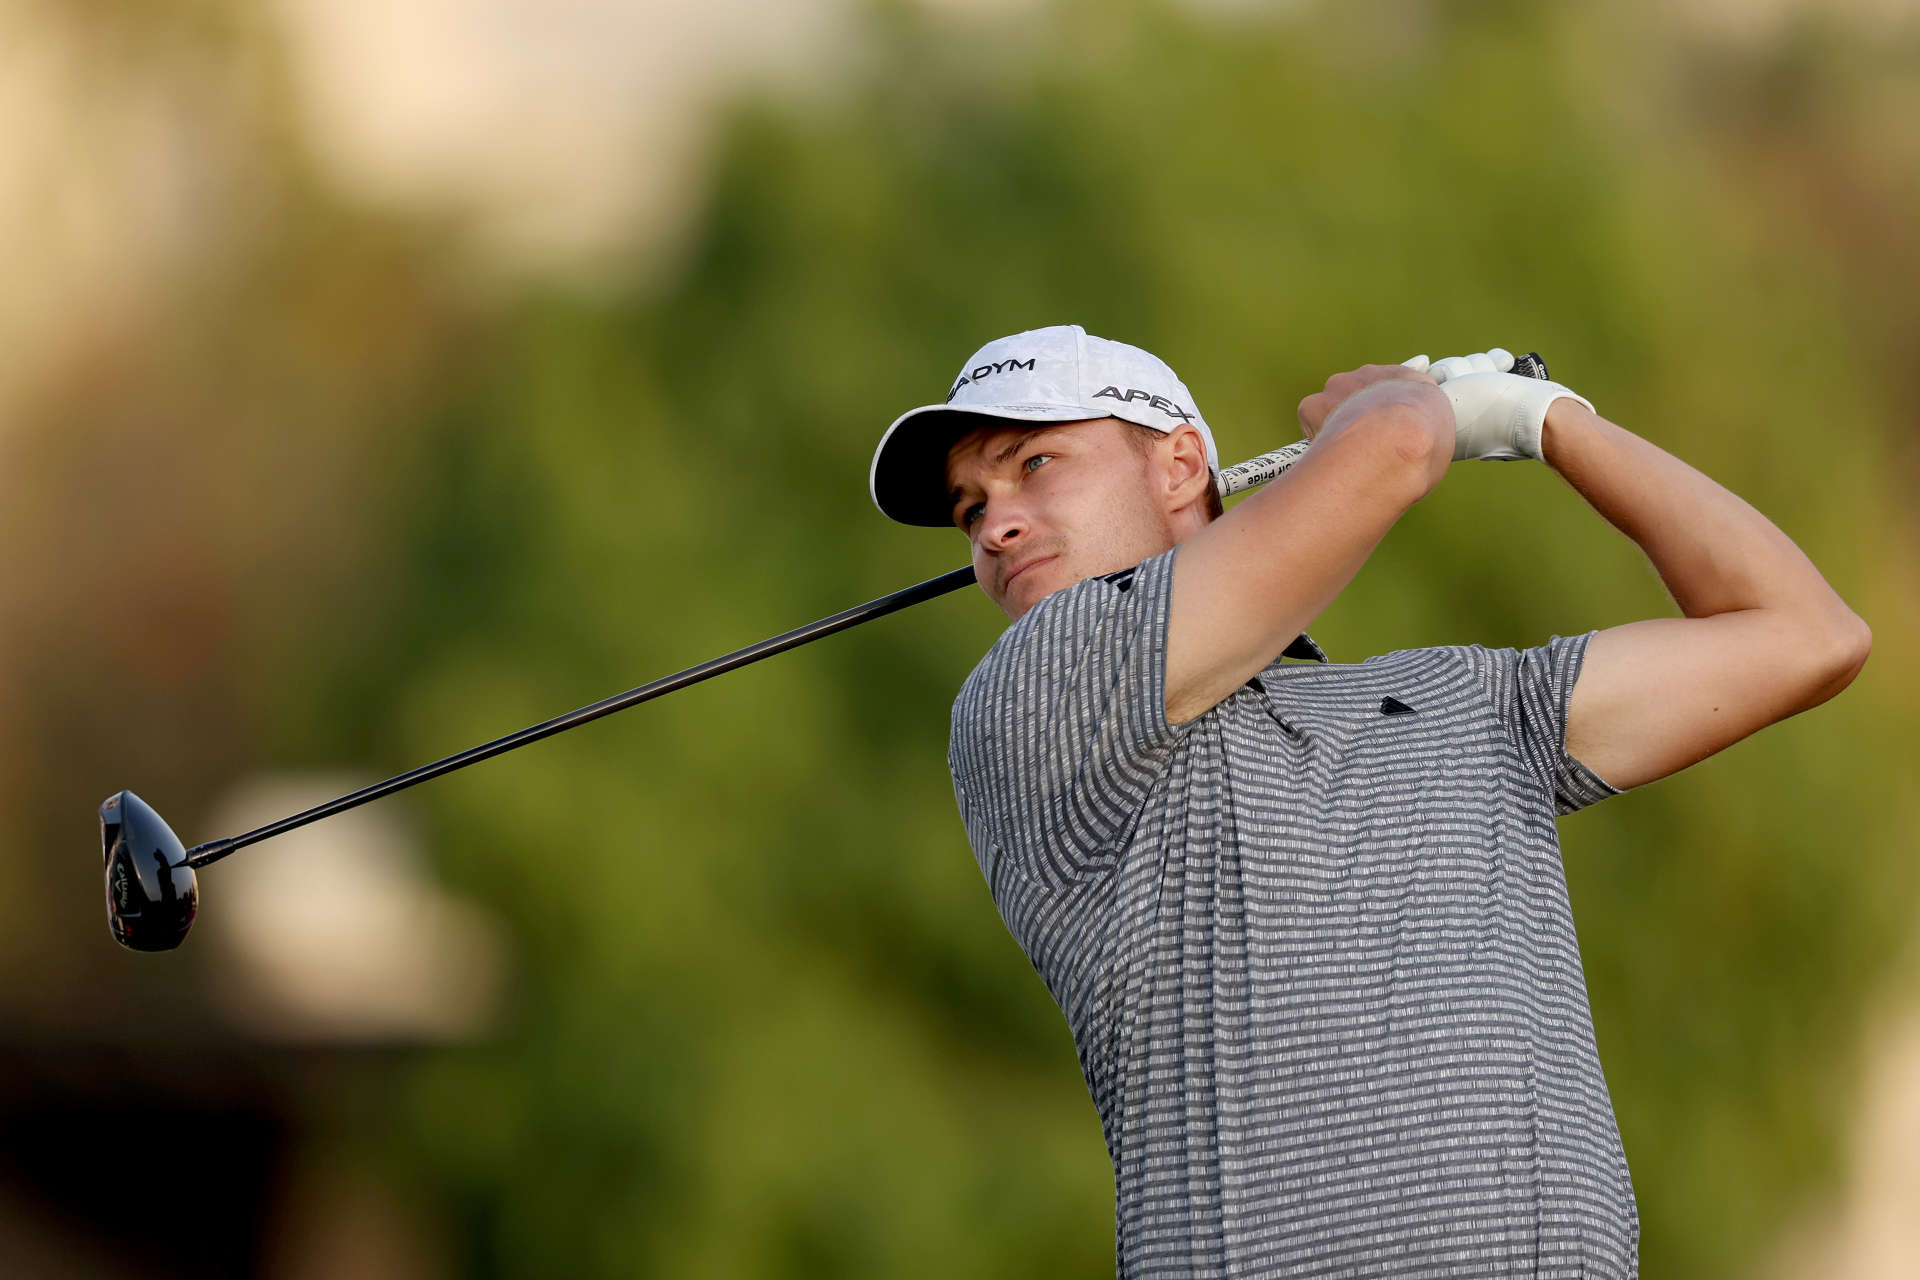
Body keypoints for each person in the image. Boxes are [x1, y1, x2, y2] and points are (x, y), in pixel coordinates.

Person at [867, 324, 1871, 1279]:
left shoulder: (1472, 701)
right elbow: (1392, 448)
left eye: (1035, 464)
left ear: (1179, 466)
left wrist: (1552, 422)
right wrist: (1393, 406)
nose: (995, 526)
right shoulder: (1034, 694)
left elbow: (1807, 635)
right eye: (970, 508)